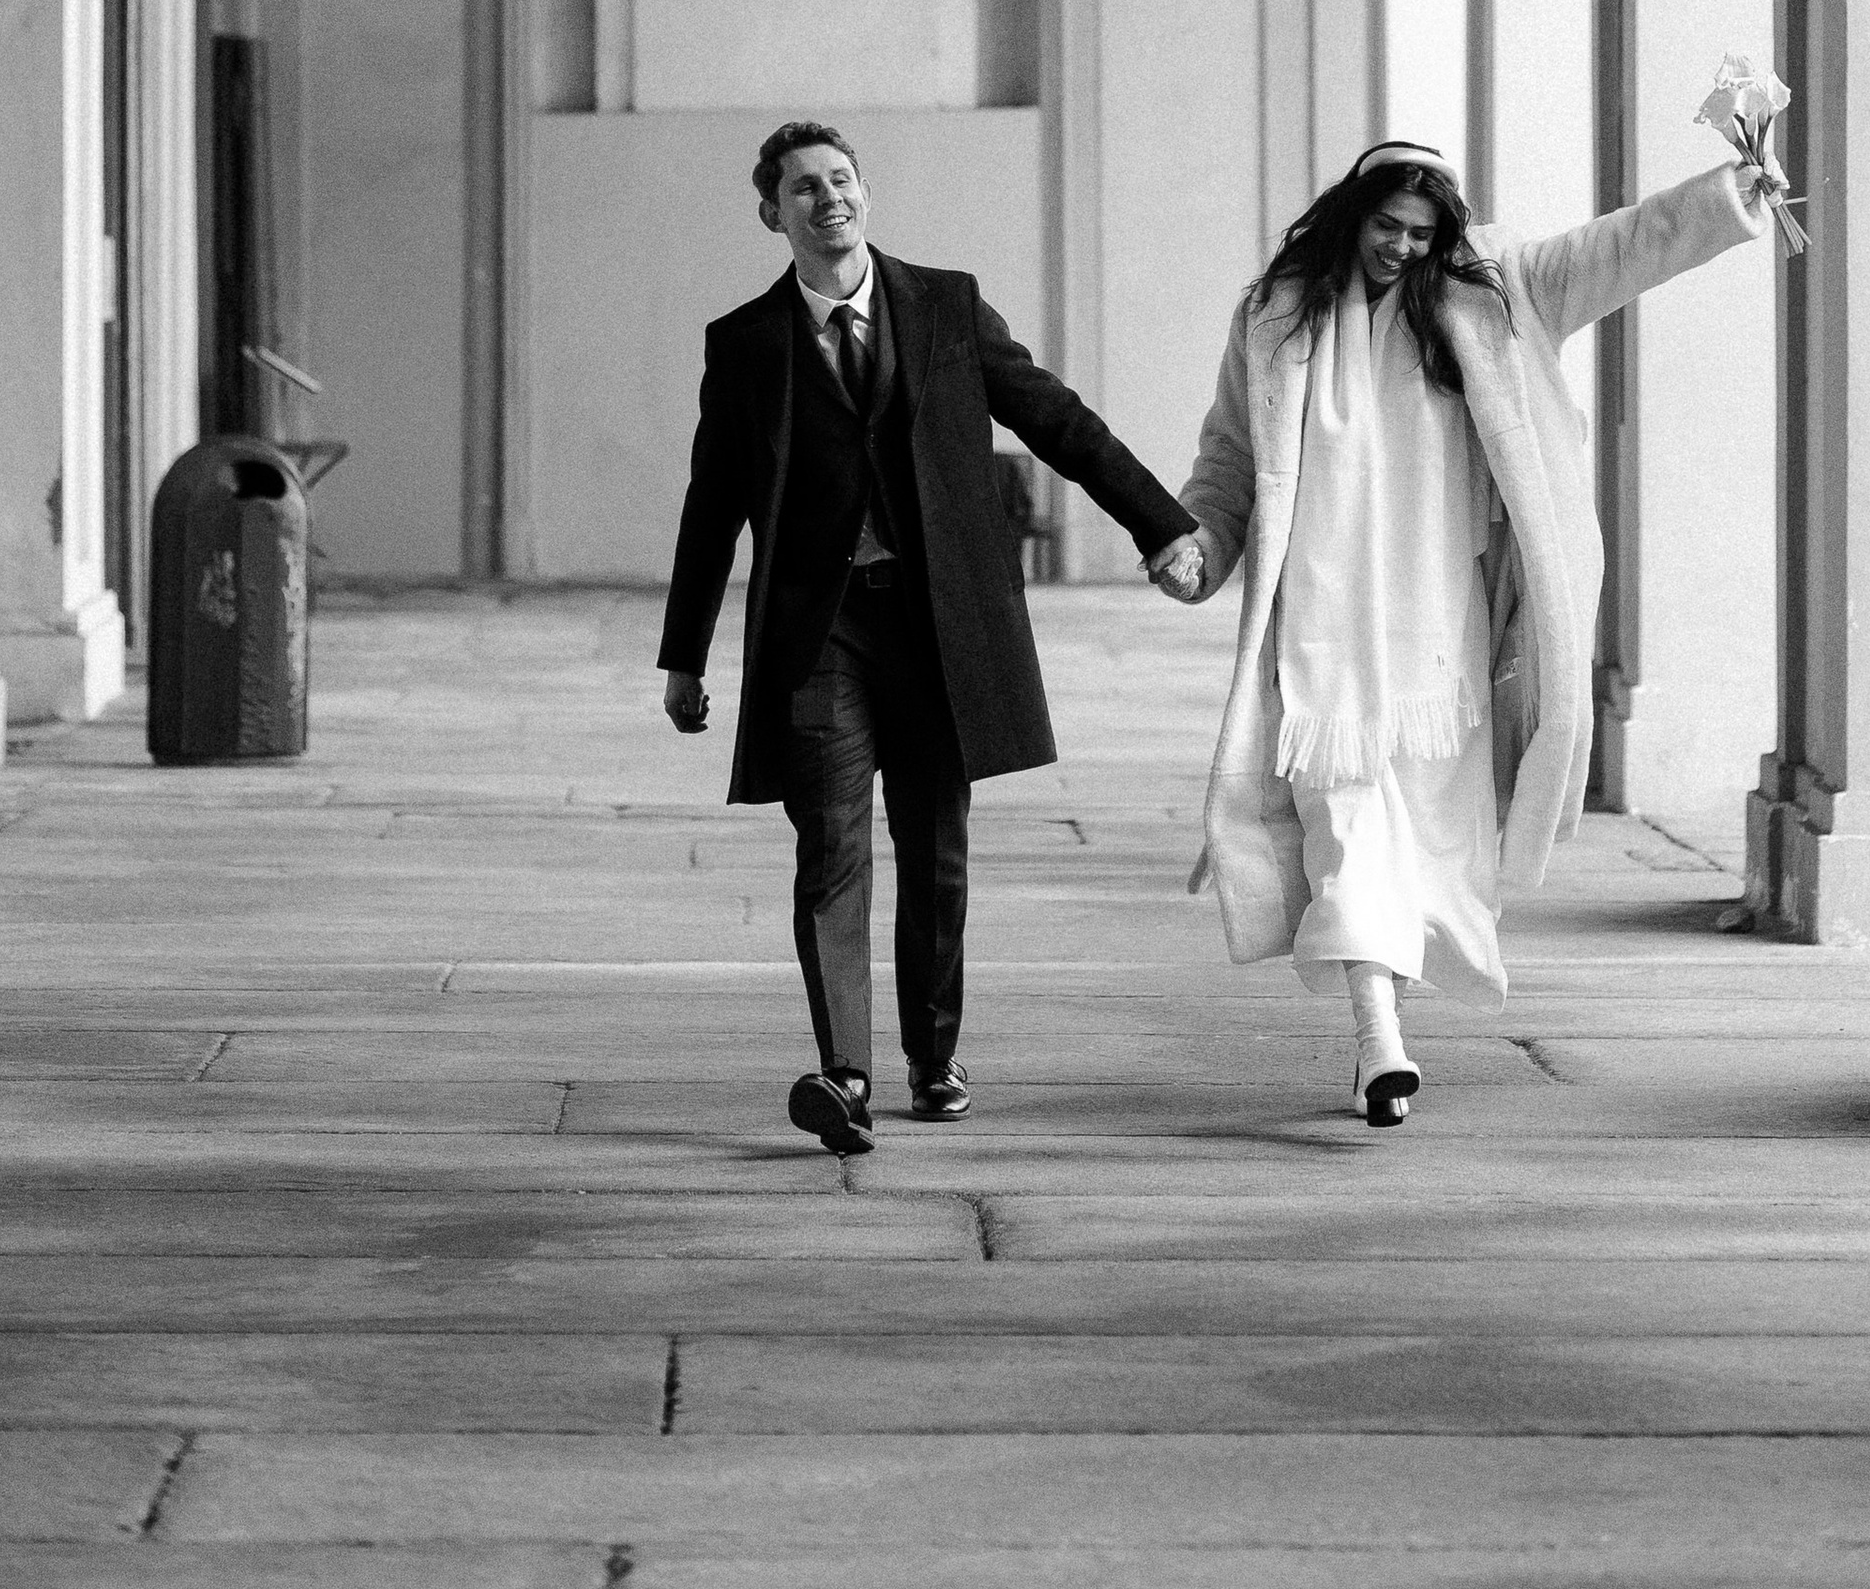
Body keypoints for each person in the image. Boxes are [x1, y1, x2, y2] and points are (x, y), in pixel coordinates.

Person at [1150, 135, 1767, 1125]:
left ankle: (1381, 1032)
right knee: (1346, 835)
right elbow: (1229, 455)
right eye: (1386, 226)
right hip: (1323, 631)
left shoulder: (1496, 293)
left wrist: (1726, 194)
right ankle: (1377, 1045)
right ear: (1351, 216)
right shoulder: (1274, 316)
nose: (1399, 246)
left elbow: (1623, 246)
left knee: (1433, 848)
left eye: (1420, 233)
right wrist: (1200, 549)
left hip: (1446, 636)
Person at [659, 118, 1197, 1154]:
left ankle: (933, 1055)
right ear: (774, 213)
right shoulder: (746, 342)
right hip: (821, 635)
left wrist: (1161, 524)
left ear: (865, 192)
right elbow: (710, 505)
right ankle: (844, 1073)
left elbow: (1058, 419)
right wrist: (684, 655)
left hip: (938, 624)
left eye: (842, 179)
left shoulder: (945, 307)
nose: (830, 199)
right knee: (832, 845)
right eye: (805, 188)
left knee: (936, 848)